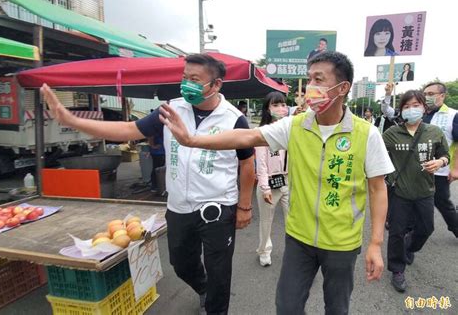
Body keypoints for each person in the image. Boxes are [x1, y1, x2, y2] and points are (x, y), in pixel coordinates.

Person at [159, 51, 395, 314]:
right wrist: (192, 140)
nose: (311, 87)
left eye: (319, 79)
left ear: (343, 87)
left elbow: (377, 188)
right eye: (309, 79)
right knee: (287, 307)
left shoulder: (366, 134)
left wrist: (375, 243)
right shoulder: (294, 126)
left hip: (342, 243)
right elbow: (246, 137)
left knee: (337, 308)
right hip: (299, 238)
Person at [41, 53, 256, 315]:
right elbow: (128, 130)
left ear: (216, 84)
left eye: (195, 79)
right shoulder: (170, 110)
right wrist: (71, 120)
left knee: (219, 271)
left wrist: (244, 206)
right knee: (180, 263)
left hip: (217, 207)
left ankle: (215, 308)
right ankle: (203, 288)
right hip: (178, 206)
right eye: (184, 77)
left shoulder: (233, 119)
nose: (187, 83)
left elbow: (247, 163)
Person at [382, 90, 449, 292]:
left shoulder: (434, 132)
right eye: (407, 106)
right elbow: (376, 156)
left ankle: (409, 246)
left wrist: (440, 161)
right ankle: (397, 269)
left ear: (424, 107)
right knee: (396, 232)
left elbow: (445, 155)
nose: (412, 110)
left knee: (426, 228)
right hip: (399, 192)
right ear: (401, 110)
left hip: (425, 190)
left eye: (416, 105)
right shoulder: (391, 134)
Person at [382, 81, 458, 238]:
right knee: (406, 211)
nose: (427, 97)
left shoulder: (452, 115)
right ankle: (405, 241)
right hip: (409, 171)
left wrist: (453, 166)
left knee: (441, 204)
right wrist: (388, 94)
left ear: (442, 95)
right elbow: (389, 112)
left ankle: (454, 228)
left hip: (440, 171)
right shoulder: (413, 118)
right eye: (426, 94)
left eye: (431, 94)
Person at [255, 91, 290, 267]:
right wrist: (265, 188)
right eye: (275, 105)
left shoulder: (290, 130)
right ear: (267, 109)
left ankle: (295, 254)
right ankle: (264, 251)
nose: (280, 108)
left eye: (283, 104)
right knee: (266, 221)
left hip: (288, 181)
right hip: (269, 182)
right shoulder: (262, 132)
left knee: (293, 220)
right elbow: (260, 163)